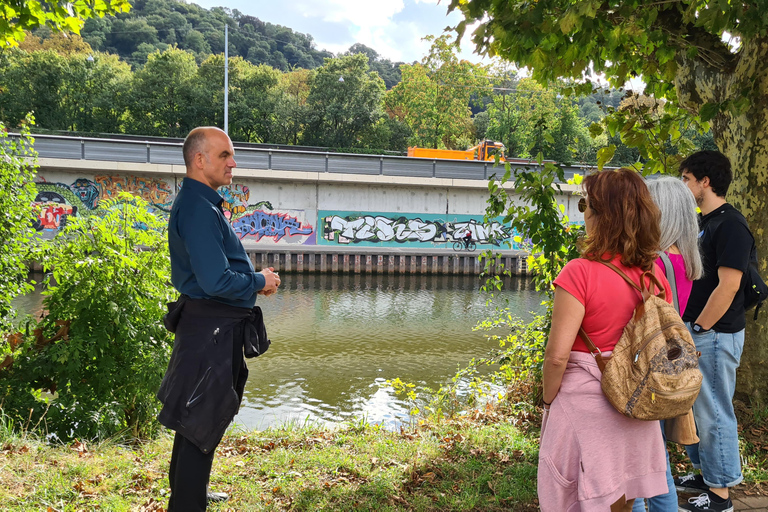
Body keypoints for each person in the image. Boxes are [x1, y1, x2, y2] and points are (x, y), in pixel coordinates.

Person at [156, 126, 281, 511]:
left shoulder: (203, 204)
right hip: (211, 330)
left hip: (208, 327)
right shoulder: (197, 208)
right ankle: (188, 503)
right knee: (201, 421)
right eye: (224, 154)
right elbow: (214, 280)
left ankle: (190, 493)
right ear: (199, 160)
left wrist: (250, 281)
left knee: (194, 420)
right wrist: (259, 280)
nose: (233, 161)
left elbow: (216, 274)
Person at [538, 168, 672, 512]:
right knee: (622, 497)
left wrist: (549, 402)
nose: (583, 213)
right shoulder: (655, 275)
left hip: (586, 405)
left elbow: (557, 356)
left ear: (602, 215)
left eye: (586, 205)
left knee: (577, 497)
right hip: (638, 401)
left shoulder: (579, 272)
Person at [675, 150, 752, 512]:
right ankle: (707, 474)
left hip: (715, 334)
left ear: (705, 182)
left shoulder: (731, 225)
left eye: (687, 179)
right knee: (697, 409)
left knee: (715, 412)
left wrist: (699, 326)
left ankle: (721, 495)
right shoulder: (702, 222)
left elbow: (729, 285)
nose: (683, 186)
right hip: (700, 331)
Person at [632, 177, 703, 512]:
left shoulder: (652, 262)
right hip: (667, 366)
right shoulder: (685, 261)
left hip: (644, 369)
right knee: (655, 457)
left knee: (639, 463)